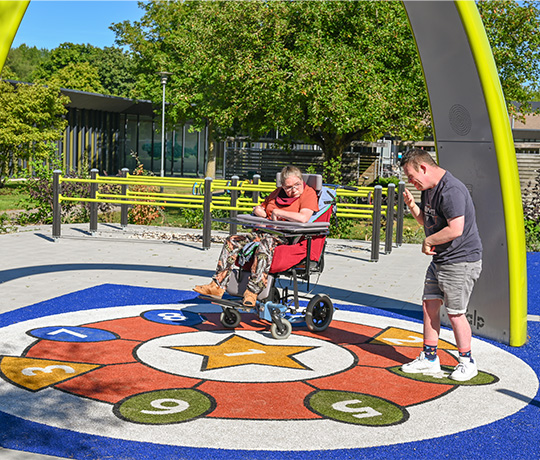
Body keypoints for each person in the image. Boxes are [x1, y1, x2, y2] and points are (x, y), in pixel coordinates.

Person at [400, 148, 482, 381]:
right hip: (441, 260)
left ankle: (467, 361)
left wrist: (429, 241)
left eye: (410, 175)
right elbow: (430, 225)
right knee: (429, 306)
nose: (410, 181)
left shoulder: (452, 190)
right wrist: (413, 206)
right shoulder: (428, 189)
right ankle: (430, 358)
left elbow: (455, 230)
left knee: (455, 313)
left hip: (460, 261)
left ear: (423, 167)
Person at [194, 165, 319, 307]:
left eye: (297, 184)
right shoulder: (277, 193)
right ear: (282, 186)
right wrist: (257, 210)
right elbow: (263, 208)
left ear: (301, 180)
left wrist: (279, 213)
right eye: (288, 187)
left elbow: (304, 218)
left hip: (284, 236)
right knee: (232, 240)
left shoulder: (308, 193)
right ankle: (217, 286)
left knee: (264, 244)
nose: (294, 190)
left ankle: (252, 292)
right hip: (262, 232)